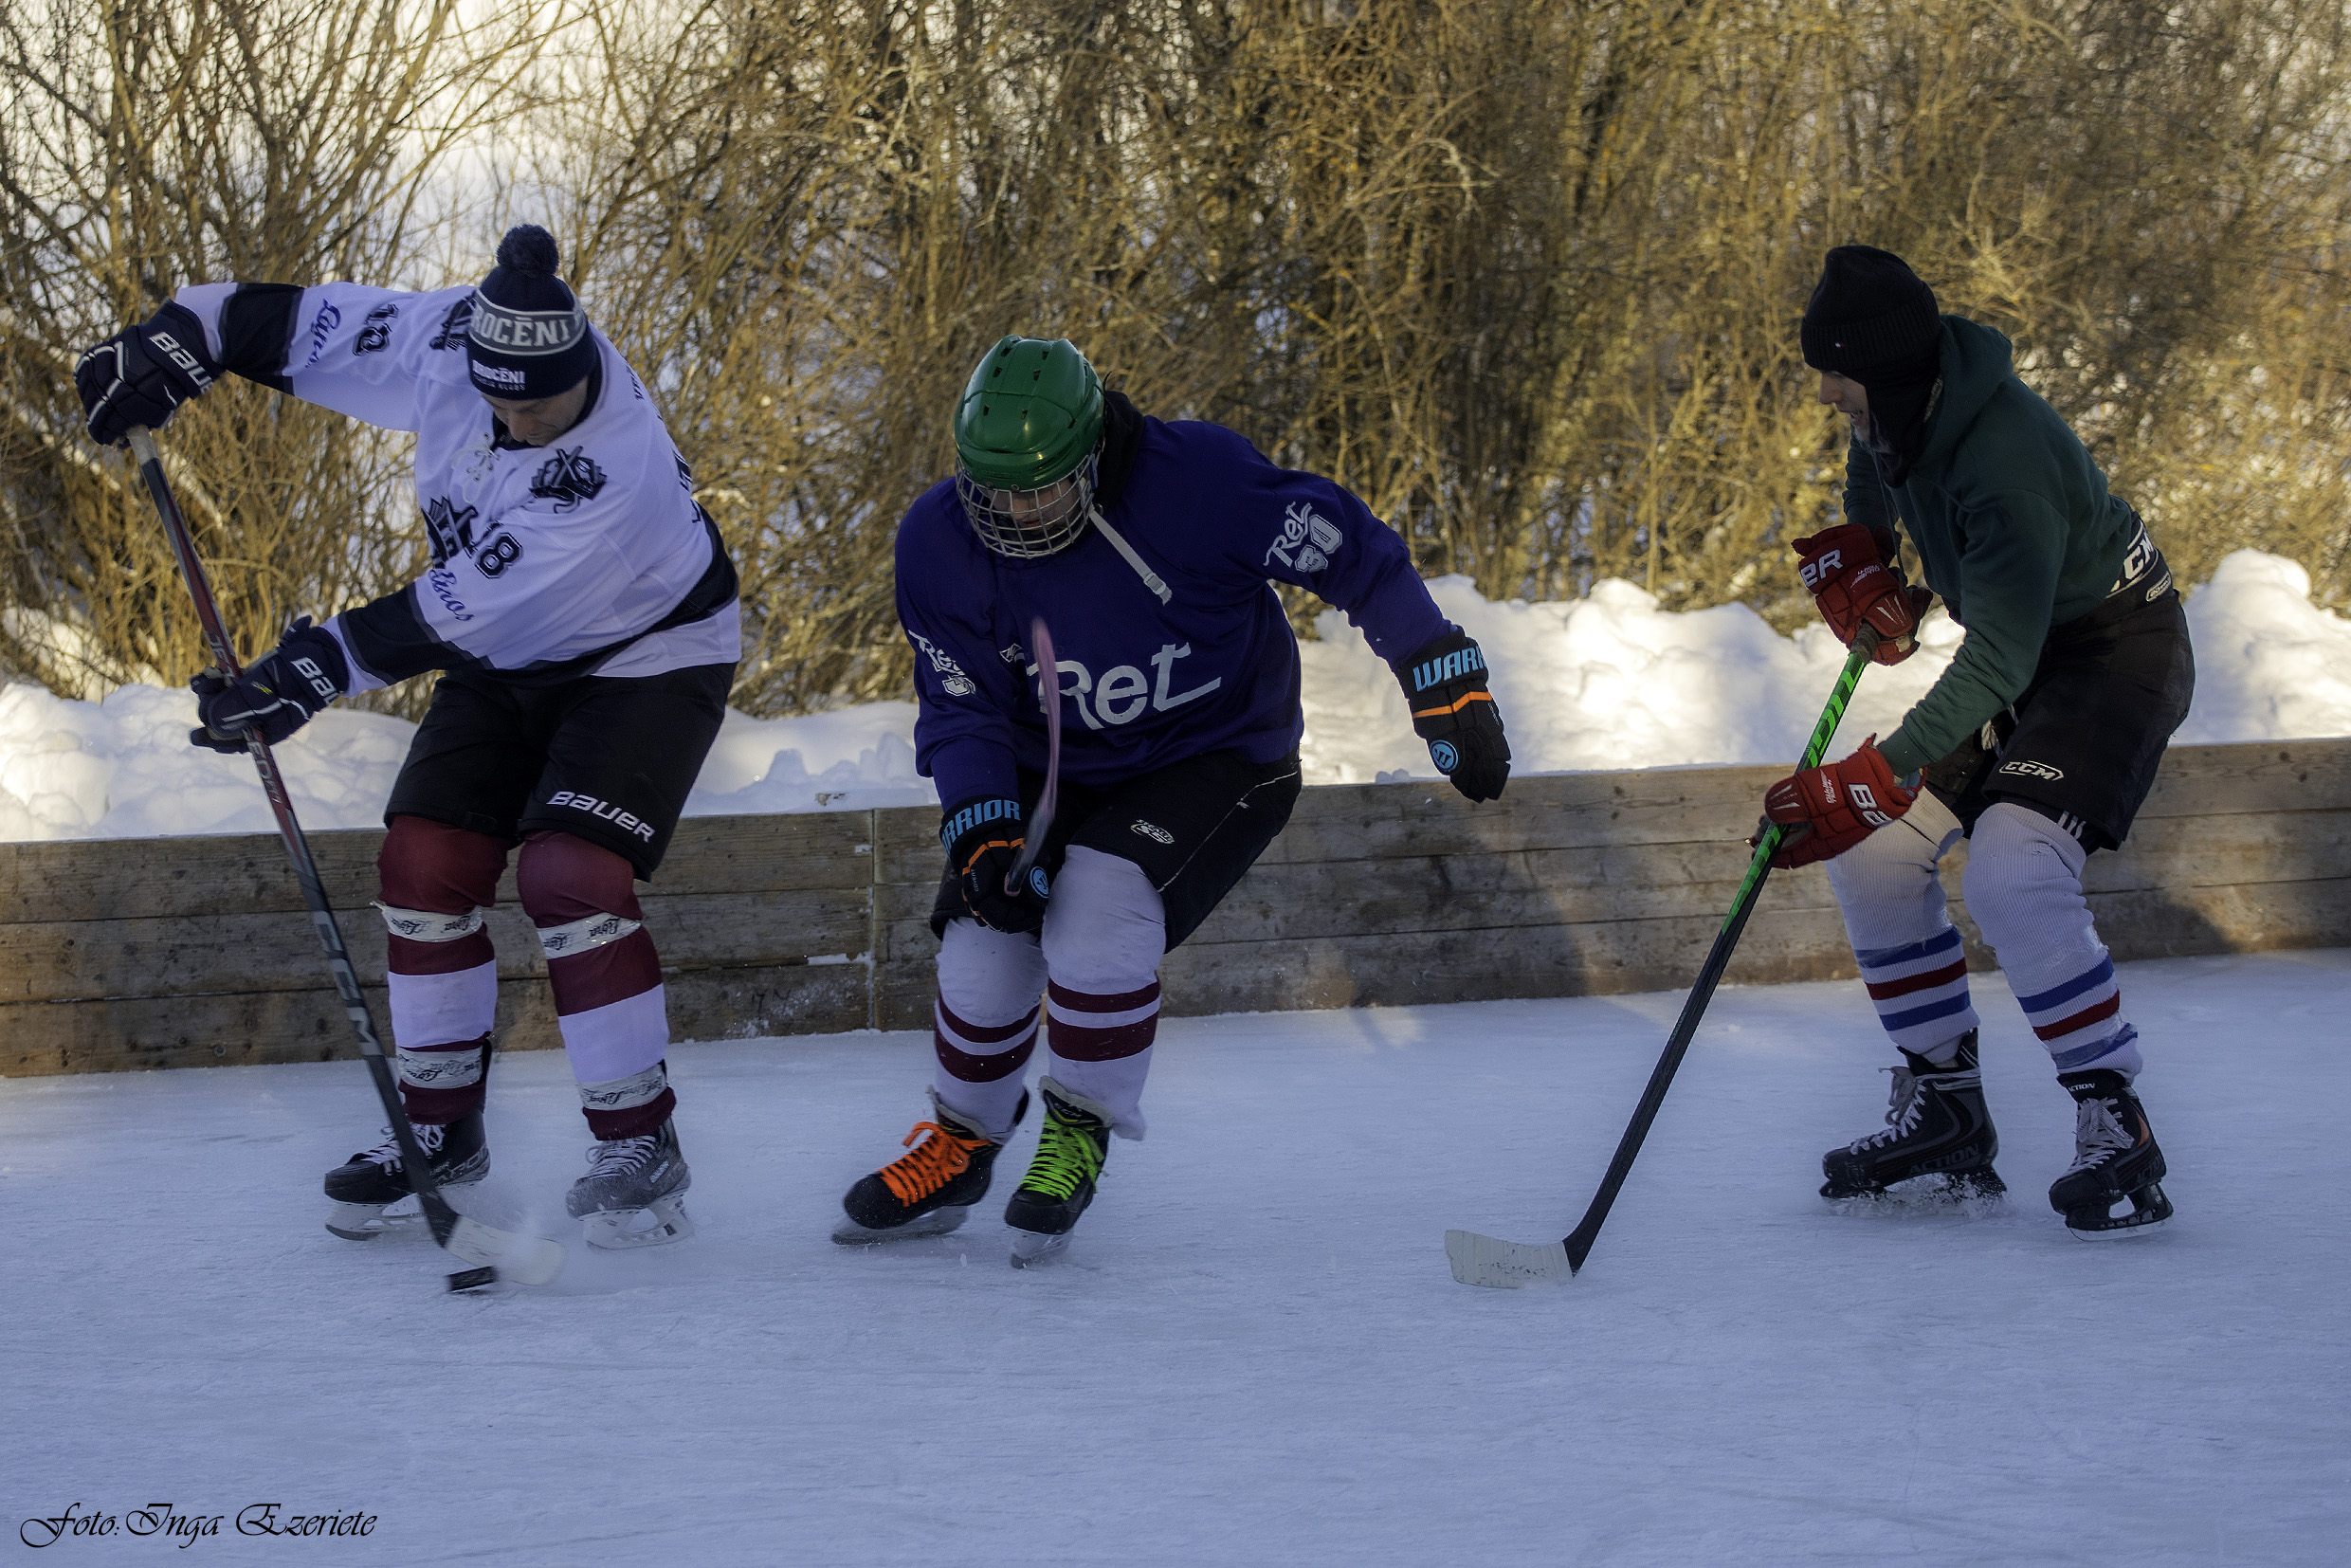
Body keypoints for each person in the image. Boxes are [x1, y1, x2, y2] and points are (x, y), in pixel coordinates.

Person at [76, 226, 738, 1250]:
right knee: (424, 862)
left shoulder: (610, 476)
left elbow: (450, 611)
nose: (516, 422)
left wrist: (302, 672)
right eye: (499, 401)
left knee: (568, 874)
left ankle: (637, 1140)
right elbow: (282, 325)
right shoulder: (448, 338)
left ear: (584, 374)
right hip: (506, 652)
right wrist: (173, 342)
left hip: (646, 656)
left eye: (541, 407)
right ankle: (440, 1131)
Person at [836, 335, 1512, 1265]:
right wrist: (981, 819)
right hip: (1054, 764)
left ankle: (1078, 1127)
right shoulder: (936, 543)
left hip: (1217, 751)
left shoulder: (1200, 482)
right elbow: (960, 709)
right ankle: (961, 1141)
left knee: (1099, 906)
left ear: (1092, 460)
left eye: (1041, 492)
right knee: (981, 947)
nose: (1016, 517)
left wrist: (1437, 669)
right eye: (993, 494)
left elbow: (1349, 549)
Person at [1757, 246, 2192, 1237]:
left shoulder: (2006, 468)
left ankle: (2113, 1116)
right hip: (2024, 645)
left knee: (2011, 868)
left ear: (1888, 373)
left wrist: (1875, 771)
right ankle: (1946, 1107)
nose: (1826, 396)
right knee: (1873, 852)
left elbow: (1997, 661)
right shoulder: (1903, 405)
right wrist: (1866, 553)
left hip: (2112, 650)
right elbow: (1873, 460)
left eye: (1836, 376)